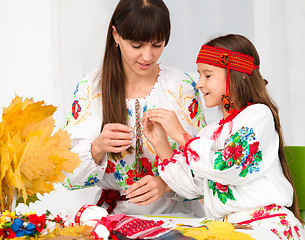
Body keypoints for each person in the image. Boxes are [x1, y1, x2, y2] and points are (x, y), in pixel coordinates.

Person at [141, 34, 305, 239]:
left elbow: (225, 166)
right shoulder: (209, 134)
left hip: (265, 226)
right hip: (230, 229)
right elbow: (192, 187)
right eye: (200, 75)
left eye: (207, 75)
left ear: (238, 74)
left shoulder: (258, 115)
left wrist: (181, 135)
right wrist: (161, 144)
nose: (199, 83)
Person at [61, 0, 206, 217]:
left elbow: (205, 167)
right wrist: (98, 147)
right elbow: (66, 175)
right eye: (137, 45)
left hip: (179, 220)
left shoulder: (183, 86)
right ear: (116, 35)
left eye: (157, 45)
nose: (147, 56)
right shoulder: (90, 88)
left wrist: (167, 184)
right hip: (112, 220)